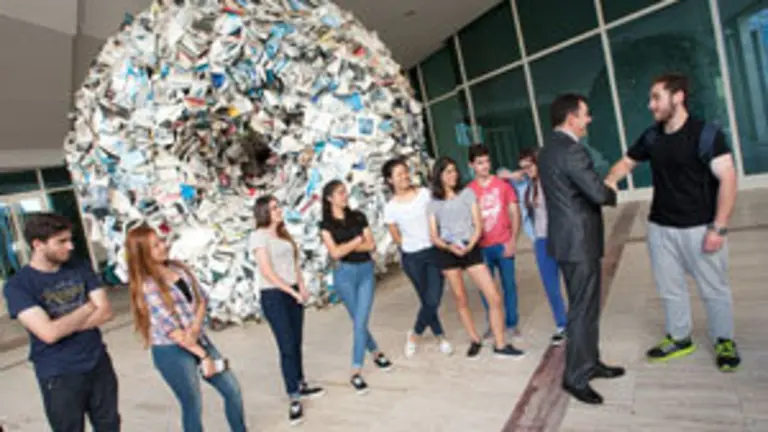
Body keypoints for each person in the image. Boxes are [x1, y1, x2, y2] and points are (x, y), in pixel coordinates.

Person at [605, 73, 740, 372]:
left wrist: (719, 226)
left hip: (700, 226)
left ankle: (724, 340)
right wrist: (611, 180)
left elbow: (728, 178)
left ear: (677, 97)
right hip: (660, 227)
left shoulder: (706, 135)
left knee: (714, 288)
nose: (651, 104)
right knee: (670, 287)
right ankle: (680, 337)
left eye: (656, 97)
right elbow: (628, 161)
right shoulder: (652, 137)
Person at [537, 93, 625, 405]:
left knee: (584, 307)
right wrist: (611, 188)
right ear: (571, 117)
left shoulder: (547, 150)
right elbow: (596, 193)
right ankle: (575, 377)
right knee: (583, 310)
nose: (588, 120)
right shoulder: (572, 150)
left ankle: (590, 363)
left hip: (566, 242)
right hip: (579, 243)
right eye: (585, 114)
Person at [2, 213, 120, 432]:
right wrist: (87, 307)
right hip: (59, 374)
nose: (70, 246)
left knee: (110, 426)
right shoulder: (18, 286)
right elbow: (48, 334)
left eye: (70, 239)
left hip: (98, 363)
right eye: (62, 241)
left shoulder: (79, 266)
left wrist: (60, 325)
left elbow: (105, 312)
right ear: (38, 244)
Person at [125, 225, 246, 432]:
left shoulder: (178, 269)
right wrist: (204, 356)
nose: (164, 246)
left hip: (198, 339)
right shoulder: (147, 287)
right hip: (171, 351)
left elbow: (201, 299)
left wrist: (196, 328)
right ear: (143, 254)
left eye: (162, 241)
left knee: (232, 389)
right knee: (192, 403)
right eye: (156, 246)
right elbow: (172, 330)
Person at [427, 157, 524, 359]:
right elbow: (434, 235)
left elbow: (478, 223)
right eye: (447, 172)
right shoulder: (433, 203)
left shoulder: (467, 194)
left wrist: (470, 245)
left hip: (470, 247)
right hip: (447, 252)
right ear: (439, 176)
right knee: (461, 298)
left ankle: (500, 343)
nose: (452, 175)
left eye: (454, 171)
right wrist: (450, 247)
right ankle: (474, 339)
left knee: (494, 296)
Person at [250, 195, 325, 425]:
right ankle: (293, 395)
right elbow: (267, 271)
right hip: (274, 295)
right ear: (264, 212)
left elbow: (294, 264)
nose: (279, 211)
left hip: (292, 290)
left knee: (296, 341)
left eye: (278, 206)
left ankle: (301, 383)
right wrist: (290, 292)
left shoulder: (283, 234)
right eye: (274, 208)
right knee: (286, 345)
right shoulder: (258, 237)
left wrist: (301, 286)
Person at [320, 180, 393, 394]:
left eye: (345, 192)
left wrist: (347, 246)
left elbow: (371, 244)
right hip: (344, 275)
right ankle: (377, 353)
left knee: (361, 320)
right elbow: (334, 253)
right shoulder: (326, 225)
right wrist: (355, 242)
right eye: (340, 193)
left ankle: (355, 370)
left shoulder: (358, 216)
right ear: (330, 198)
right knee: (358, 319)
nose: (345, 195)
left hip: (365, 271)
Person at [382, 157, 454, 358]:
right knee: (426, 299)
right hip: (412, 257)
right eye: (399, 174)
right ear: (390, 180)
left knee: (433, 297)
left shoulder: (424, 194)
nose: (404, 176)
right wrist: (407, 244)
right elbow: (395, 234)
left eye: (405, 171)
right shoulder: (391, 207)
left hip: (433, 251)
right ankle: (440, 335)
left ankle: (414, 334)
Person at [498, 148, 568, 345]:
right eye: (523, 167)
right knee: (550, 285)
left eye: (530, 165)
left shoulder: (553, 180)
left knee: (571, 281)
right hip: (541, 240)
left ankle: (578, 323)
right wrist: (516, 174)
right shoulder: (526, 186)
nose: (527, 170)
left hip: (560, 237)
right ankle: (562, 325)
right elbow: (499, 175)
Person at [467, 144, 522, 339]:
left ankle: (512, 323)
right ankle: (493, 322)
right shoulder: (469, 191)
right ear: (472, 165)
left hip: (503, 243)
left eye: (487, 161)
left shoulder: (503, 185)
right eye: (479, 163)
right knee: (486, 288)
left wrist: (513, 240)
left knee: (509, 285)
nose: (484, 166)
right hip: (481, 248)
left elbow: (515, 213)